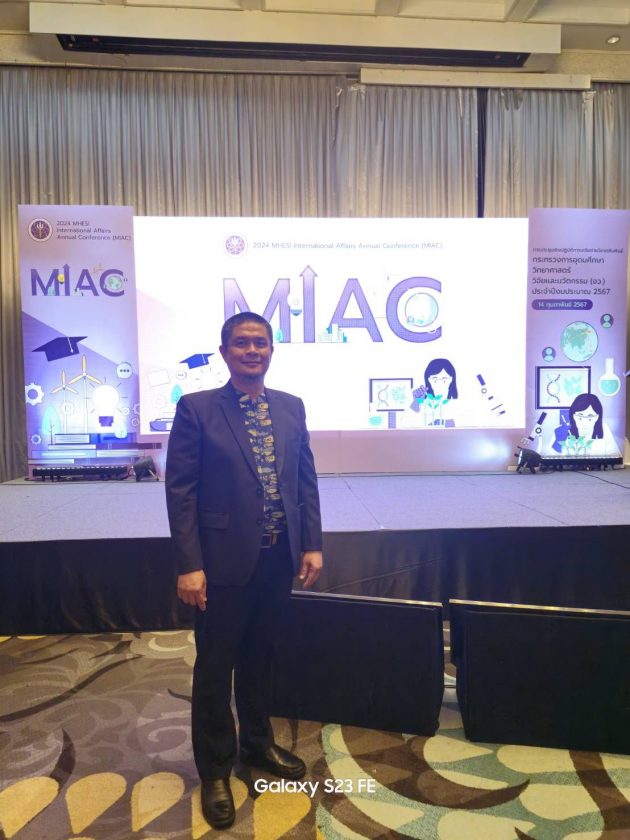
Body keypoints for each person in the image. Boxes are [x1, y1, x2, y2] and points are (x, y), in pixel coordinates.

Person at [165, 312, 323, 830]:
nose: (252, 350)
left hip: (278, 559)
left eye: (260, 342)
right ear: (225, 352)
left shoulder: (292, 407)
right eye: (241, 343)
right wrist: (190, 565)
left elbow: (305, 482)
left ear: (271, 350)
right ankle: (214, 770)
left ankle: (257, 744)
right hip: (221, 563)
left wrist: (312, 543)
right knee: (216, 668)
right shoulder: (197, 409)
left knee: (261, 659)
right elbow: (181, 492)